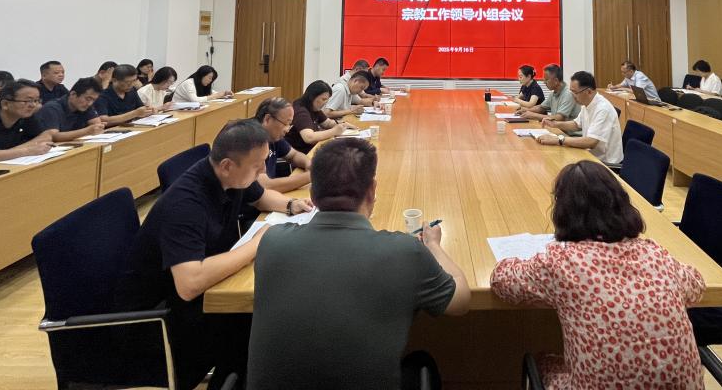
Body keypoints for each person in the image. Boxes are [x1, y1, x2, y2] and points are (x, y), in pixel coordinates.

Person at [247, 138, 470, 390]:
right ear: (372, 190)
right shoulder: (405, 251)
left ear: (312, 195)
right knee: (421, 361)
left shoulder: (272, 242)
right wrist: (433, 245)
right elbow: (461, 300)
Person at [116, 119, 307, 390]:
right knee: (261, 324)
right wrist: (256, 245)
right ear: (227, 165)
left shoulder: (230, 175)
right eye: (257, 166)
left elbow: (261, 196)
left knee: (265, 320)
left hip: (197, 297)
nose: (263, 170)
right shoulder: (185, 204)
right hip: (156, 321)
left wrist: (292, 204)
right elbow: (189, 284)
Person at [491, 161, 705, 389]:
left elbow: (501, 280)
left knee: (545, 361)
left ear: (562, 212)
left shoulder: (562, 262)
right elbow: (696, 285)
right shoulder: (654, 253)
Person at [538, 71, 623, 168]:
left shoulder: (603, 109)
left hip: (604, 163)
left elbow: (591, 142)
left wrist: (559, 140)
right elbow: (576, 124)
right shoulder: (586, 103)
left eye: (575, 92)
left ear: (589, 92)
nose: (572, 95)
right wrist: (555, 124)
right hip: (590, 155)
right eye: (571, 91)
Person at [255, 97, 312, 193]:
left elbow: (293, 155)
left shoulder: (273, 135)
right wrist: (311, 176)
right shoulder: (250, 140)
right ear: (267, 119)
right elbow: (265, 186)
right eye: (286, 124)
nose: (287, 129)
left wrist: (309, 164)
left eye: (290, 124)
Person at [285, 80, 356, 155]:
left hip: (312, 148)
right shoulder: (301, 111)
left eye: (327, 100)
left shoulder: (313, 106)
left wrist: (343, 124)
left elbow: (327, 123)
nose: (325, 103)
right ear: (312, 97)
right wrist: (334, 131)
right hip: (302, 153)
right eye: (323, 99)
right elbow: (309, 138)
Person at [35, 77, 105, 142]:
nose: (90, 103)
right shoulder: (52, 108)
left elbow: (97, 125)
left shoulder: (86, 106)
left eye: (93, 100)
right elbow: (53, 136)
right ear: (73, 94)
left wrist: (98, 127)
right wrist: (86, 131)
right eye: (88, 99)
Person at [521, 64, 580, 129]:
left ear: (556, 81)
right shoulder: (553, 93)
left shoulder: (568, 94)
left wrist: (534, 115)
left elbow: (559, 117)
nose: (544, 82)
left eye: (546, 80)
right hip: (558, 129)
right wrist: (526, 110)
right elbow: (541, 107)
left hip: (569, 133)